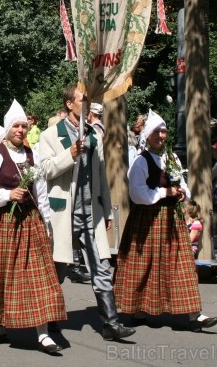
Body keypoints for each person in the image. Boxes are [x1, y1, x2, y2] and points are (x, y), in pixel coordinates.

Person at [0, 100, 66, 354]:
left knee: (38, 276)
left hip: (30, 222)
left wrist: (46, 223)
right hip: (3, 222)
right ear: (8, 128)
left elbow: (40, 190)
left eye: (24, 126)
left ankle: (43, 334)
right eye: (16, 126)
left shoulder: (33, 154)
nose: (21, 130)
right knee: (0, 273)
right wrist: (8, 195)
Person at [38, 85, 134, 341]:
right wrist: (69, 155)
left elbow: (101, 174)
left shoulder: (93, 134)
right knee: (57, 269)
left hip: (90, 213)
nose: (87, 104)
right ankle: (50, 319)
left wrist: (107, 209)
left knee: (101, 265)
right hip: (63, 213)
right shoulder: (50, 135)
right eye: (83, 100)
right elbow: (45, 170)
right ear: (69, 104)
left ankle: (111, 324)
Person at [115, 110, 217, 332]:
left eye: (164, 131)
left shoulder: (171, 157)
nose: (161, 135)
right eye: (157, 132)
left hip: (172, 220)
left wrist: (183, 192)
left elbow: (182, 181)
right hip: (148, 219)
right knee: (145, 265)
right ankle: (139, 308)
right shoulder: (140, 162)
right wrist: (165, 192)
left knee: (182, 266)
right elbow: (137, 193)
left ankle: (195, 314)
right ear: (148, 134)